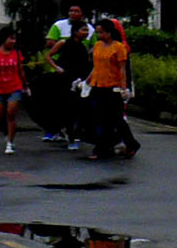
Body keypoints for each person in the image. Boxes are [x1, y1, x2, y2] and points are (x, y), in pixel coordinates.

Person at [84, 16, 137, 161]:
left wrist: (123, 88)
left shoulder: (119, 47)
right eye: (97, 33)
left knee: (117, 119)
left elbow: (122, 70)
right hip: (98, 85)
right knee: (100, 120)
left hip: (113, 87)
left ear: (109, 32)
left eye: (101, 33)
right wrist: (87, 81)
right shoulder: (98, 46)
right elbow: (96, 67)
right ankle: (102, 149)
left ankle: (131, 144)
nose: (99, 36)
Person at [52, 15, 93, 149]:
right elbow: (49, 56)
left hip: (81, 81)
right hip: (66, 79)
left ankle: (74, 133)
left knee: (78, 108)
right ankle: (70, 136)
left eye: (87, 30)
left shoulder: (83, 47)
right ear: (75, 31)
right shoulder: (64, 43)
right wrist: (57, 68)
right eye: (83, 30)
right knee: (69, 107)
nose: (86, 33)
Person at [0, 26, 27, 154]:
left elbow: (21, 71)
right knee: (0, 115)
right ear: (3, 39)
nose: (13, 41)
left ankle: (10, 142)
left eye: (14, 39)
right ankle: (5, 131)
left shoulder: (17, 54)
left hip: (14, 87)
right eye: (11, 38)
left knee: (11, 113)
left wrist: (26, 85)